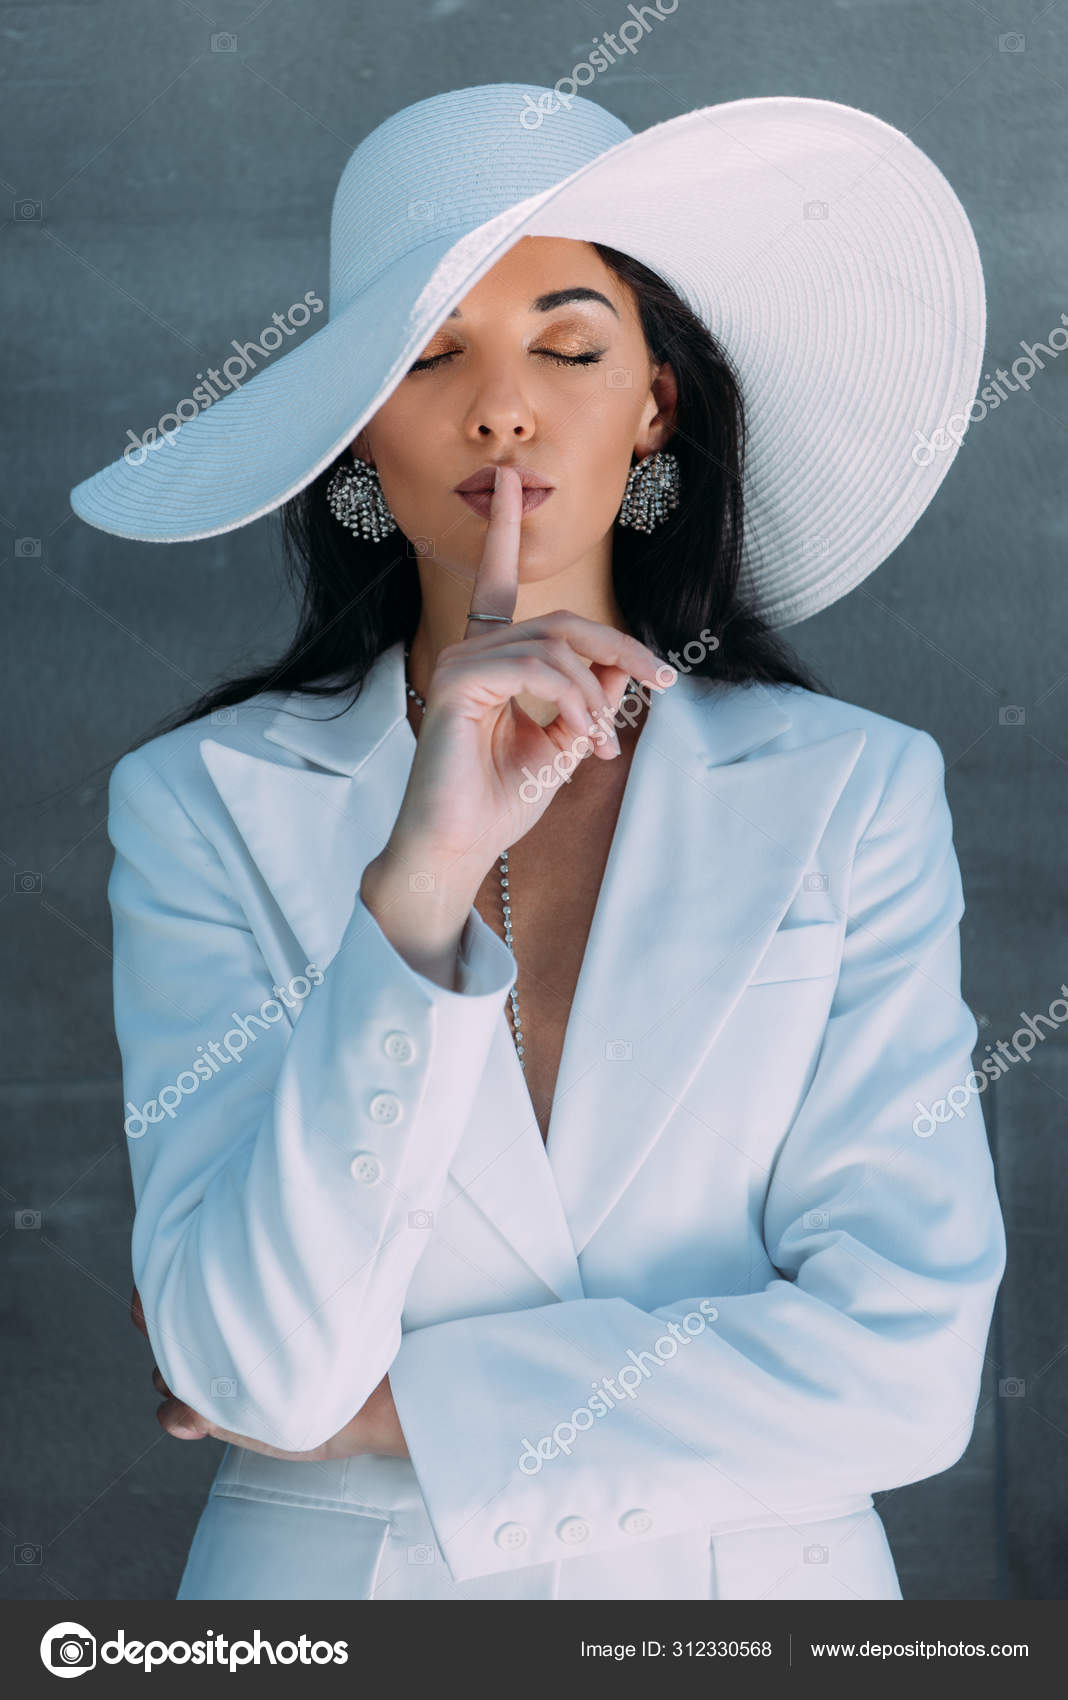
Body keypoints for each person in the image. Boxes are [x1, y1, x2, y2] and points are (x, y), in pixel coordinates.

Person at [73, 84, 1006, 1601]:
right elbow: (257, 1363)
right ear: (359, 431)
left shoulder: (853, 791)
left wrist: (403, 1416)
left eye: (568, 346)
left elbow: (904, 1364)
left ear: (655, 402)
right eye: (429, 356)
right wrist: (421, 880)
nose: (502, 406)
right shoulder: (199, 801)